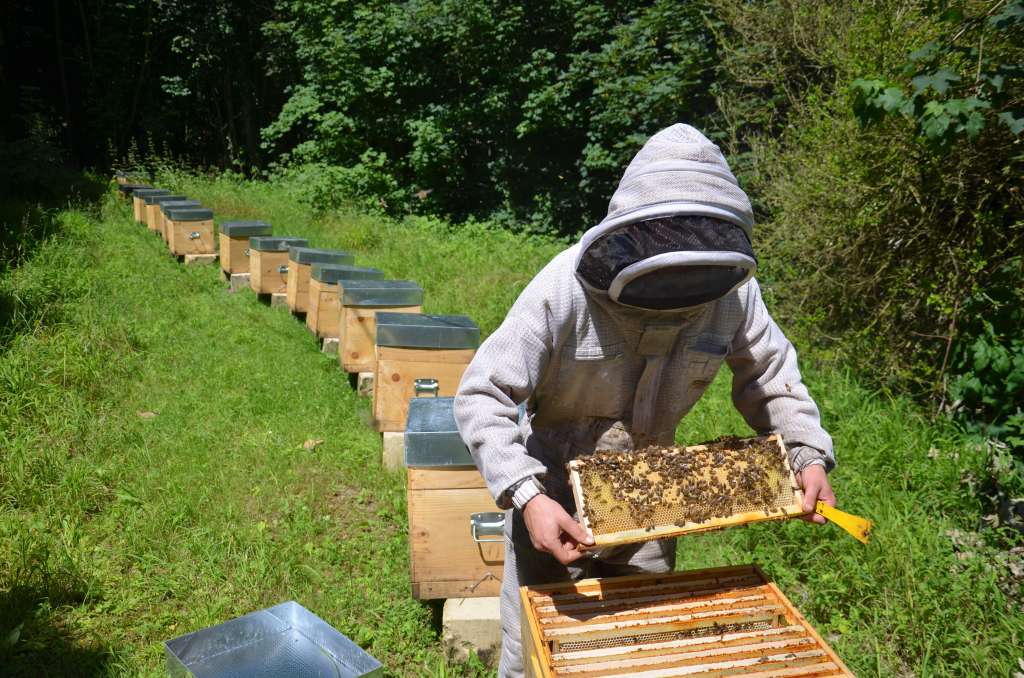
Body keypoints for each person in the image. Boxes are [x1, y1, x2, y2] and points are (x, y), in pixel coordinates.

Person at [453, 123, 836, 678]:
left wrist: (807, 454)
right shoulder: (563, 288)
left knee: (646, 649)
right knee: (535, 657)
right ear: (633, 243)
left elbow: (773, 377)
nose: (682, 289)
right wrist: (528, 496)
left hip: (656, 502)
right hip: (554, 497)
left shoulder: (733, 292)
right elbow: (482, 394)